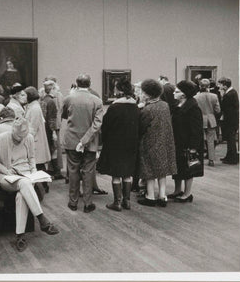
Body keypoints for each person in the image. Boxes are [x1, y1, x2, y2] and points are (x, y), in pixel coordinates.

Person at [0, 118, 59, 252]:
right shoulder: (1, 139)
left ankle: (20, 236)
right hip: (6, 176)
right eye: (17, 137)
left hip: (26, 175)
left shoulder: (29, 138)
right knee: (25, 183)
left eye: (23, 136)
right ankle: (42, 219)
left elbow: (31, 158)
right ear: (12, 131)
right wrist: (6, 170)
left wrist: (33, 172)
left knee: (21, 195)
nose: (20, 139)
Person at [62, 74, 105, 213]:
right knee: (88, 172)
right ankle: (88, 203)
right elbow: (97, 124)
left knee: (73, 171)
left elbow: (64, 115)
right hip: (90, 142)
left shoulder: (69, 98)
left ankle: (73, 202)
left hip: (72, 140)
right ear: (90, 84)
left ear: (77, 83)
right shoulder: (97, 101)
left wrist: (79, 141)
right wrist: (85, 140)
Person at [96, 78, 140, 211]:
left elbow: (106, 126)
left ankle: (117, 202)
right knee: (127, 174)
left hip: (115, 144)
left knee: (116, 174)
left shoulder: (114, 107)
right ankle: (127, 201)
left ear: (119, 90)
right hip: (131, 143)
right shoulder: (135, 106)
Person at [136, 79, 177, 207]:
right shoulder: (165, 105)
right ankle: (162, 196)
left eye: (142, 92)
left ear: (147, 94)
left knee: (149, 170)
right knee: (162, 170)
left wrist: (139, 109)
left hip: (150, 142)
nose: (140, 94)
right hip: (164, 142)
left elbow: (141, 127)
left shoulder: (147, 109)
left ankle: (150, 196)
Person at [169, 81, 204, 203]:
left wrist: (193, 147)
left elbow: (197, 129)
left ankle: (187, 193)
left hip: (188, 144)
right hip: (179, 142)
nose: (174, 93)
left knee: (188, 169)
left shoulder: (193, 109)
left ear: (184, 95)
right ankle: (177, 190)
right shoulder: (178, 105)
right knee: (178, 167)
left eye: (177, 91)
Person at [194, 79, 221, 166]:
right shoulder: (214, 96)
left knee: (199, 140)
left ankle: (198, 159)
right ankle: (211, 160)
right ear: (209, 86)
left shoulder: (196, 97)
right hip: (211, 119)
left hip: (199, 120)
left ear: (199, 86)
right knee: (210, 141)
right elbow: (218, 110)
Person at [40, 80, 63, 181]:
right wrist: (54, 132)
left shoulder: (43, 100)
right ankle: (56, 172)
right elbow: (52, 119)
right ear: (52, 89)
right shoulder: (51, 102)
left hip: (43, 129)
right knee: (54, 150)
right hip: (50, 129)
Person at [217, 77, 239, 164]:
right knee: (231, 140)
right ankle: (230, 156)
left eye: (220, 84)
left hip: (230, 120)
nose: (219, 86)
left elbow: (223, 107)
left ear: (225, 86)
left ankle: (232, 159)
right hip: (233, 119)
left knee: (231, 140)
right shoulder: (232, 92)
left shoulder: (228, 95)